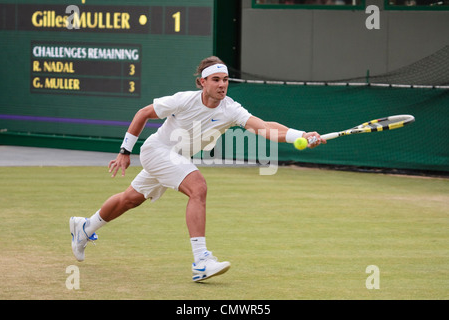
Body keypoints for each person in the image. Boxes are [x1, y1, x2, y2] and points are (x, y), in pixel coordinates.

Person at [70, 56, 325, 282]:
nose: (222, 84)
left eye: (225, 79)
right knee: (198, 188)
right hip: (157, 151)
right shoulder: (183, 100)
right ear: (202, 82)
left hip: (175, 158)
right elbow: (143, 113)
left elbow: (264, 126)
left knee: (130, 199)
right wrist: (125, 152)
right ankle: (201, 261)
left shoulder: (231, 109)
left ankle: (85, 228)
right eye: (216, 79)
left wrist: (300, 135)